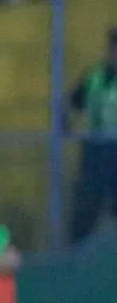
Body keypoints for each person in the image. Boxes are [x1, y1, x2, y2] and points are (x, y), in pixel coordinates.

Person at [66, 28, 117, 245]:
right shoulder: (93, 78)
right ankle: (76, 254)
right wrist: (67, 126)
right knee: (87, 208)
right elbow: (70, 103)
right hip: (96, 152)